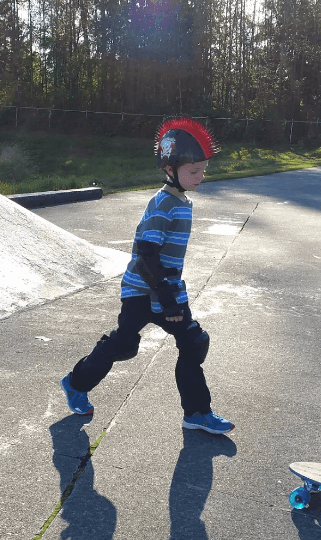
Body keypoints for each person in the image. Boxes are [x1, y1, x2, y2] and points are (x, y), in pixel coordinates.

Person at [59, 117, 234, 434]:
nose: (200, 177)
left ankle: (197, 413)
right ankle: (75, 382)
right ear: (170, 169)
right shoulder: (163, 203)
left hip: (168, 289)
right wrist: (164, 294)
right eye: (194, 171)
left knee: (194, 342)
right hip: (142, 290)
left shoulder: (182, 201)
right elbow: (145, 253)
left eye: (203, 171)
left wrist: (169, 293)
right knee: (124, 346)